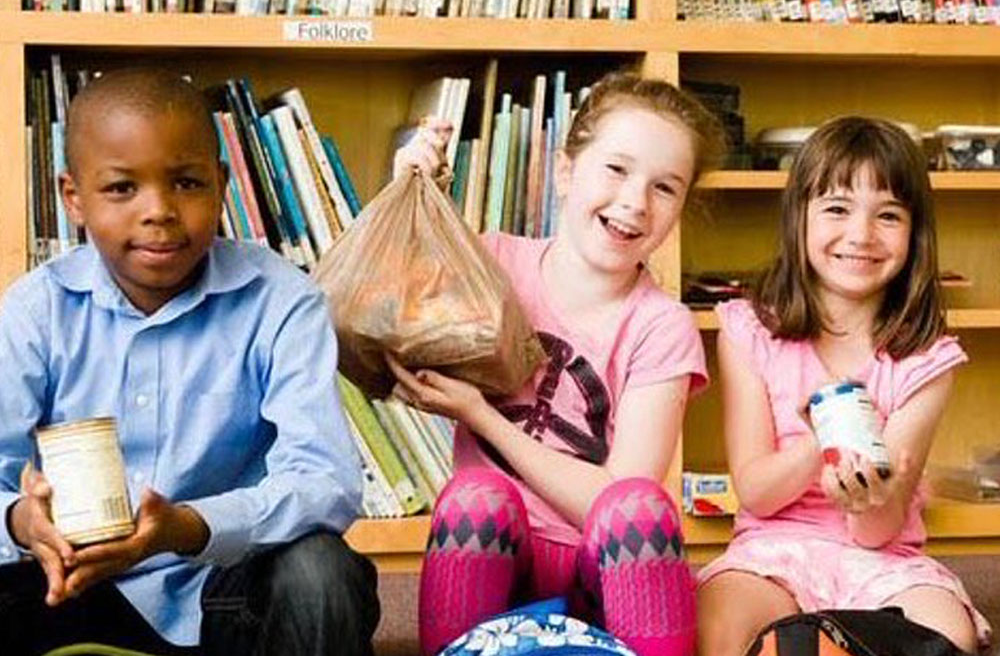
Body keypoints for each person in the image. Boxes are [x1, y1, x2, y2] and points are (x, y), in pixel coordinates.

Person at [0, 67, 379, 656]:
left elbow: (324, 481)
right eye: (122, 188)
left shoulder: (282, 301)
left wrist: (188, 527)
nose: (159, 211)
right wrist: (23, 521)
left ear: (222, 184)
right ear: (72, 197)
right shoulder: (35, 310)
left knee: (319, 572)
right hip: (68, 585)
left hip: (217, 590)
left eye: (186, 183)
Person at [389, 71, 725, 656]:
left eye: (665, 188)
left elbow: (617, 494)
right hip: (501, 554)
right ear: (567, 172)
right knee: (475, 498)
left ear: (679, 210)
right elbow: (390, 316)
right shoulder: (494, 260)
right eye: (617, 170)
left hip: (605, 564)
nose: (635, 202)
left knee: (640, 509)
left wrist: (485, 419)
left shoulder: (661, 324)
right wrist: (415, 198)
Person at [696, 116, 991, 655]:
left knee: (951, 632)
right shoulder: (749, 331)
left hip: (882, 560)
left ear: (915, 233)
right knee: (721, 622)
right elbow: (758, 492)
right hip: (771, 551)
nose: (861, 235)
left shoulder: (926, 359)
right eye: (836, 208)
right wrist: (820, 446)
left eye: (888, 215)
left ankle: (823, 644)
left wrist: (867, 499)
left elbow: (879, 532)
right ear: (798, 219)